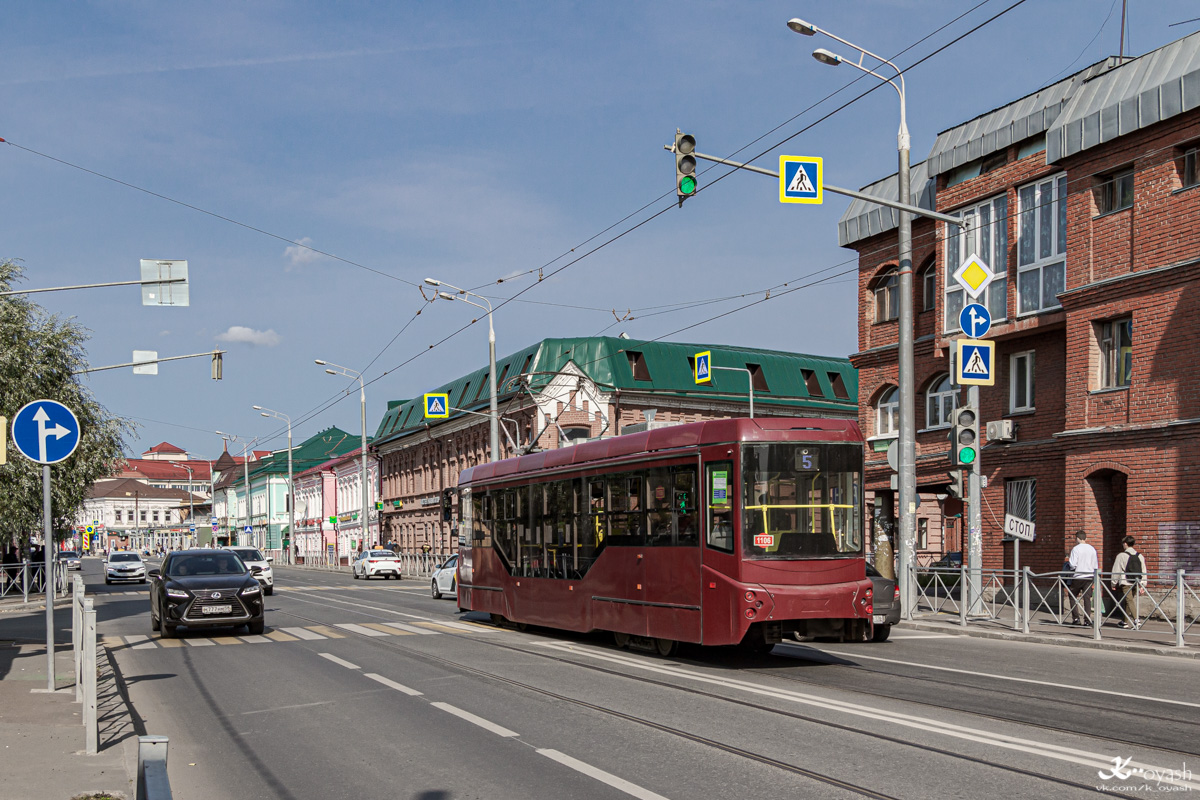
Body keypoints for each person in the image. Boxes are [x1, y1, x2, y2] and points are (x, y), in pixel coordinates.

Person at [1110, 536, 1147, 629]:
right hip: (1136, 581)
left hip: (1125, 582)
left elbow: (1116, 570)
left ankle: (1136, 620)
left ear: (1125, 544)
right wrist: (1143, 584)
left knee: (1129, 600)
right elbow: (1143, 570)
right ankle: (1124, 621)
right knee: (1128, 601)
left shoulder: (1121, 555)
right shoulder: (1140, 556)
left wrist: (1113, 583)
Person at [1067, 530, 1099, 625]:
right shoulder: (1092, 549)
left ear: (1077, 538)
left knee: (1072, 596)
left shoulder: (1076, 549)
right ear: (1086, 538)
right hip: (1089, 576)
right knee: (1087, 598)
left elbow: (1072, 564)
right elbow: (1095, 565)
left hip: (1078, 576)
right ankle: (1087, 620)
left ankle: (1076, 618)